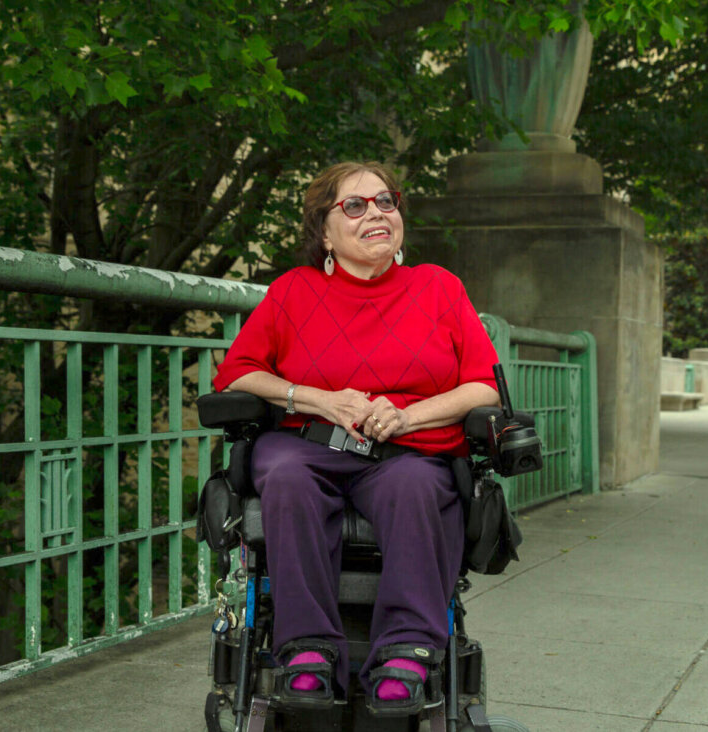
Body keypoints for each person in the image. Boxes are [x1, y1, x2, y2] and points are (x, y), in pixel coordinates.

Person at [211, 161, 501, 715]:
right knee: (289, 477)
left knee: (415, 485)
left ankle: (407, 652)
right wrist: (319, 398)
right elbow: (239, 372)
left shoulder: (438, 287)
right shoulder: (294, 291)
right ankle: (306, 650)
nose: (376, 213)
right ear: (324, 230)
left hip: (408, 446)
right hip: (310, 441)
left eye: (386, 201)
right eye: (355, 205)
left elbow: (483, 386)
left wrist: (409, 416)